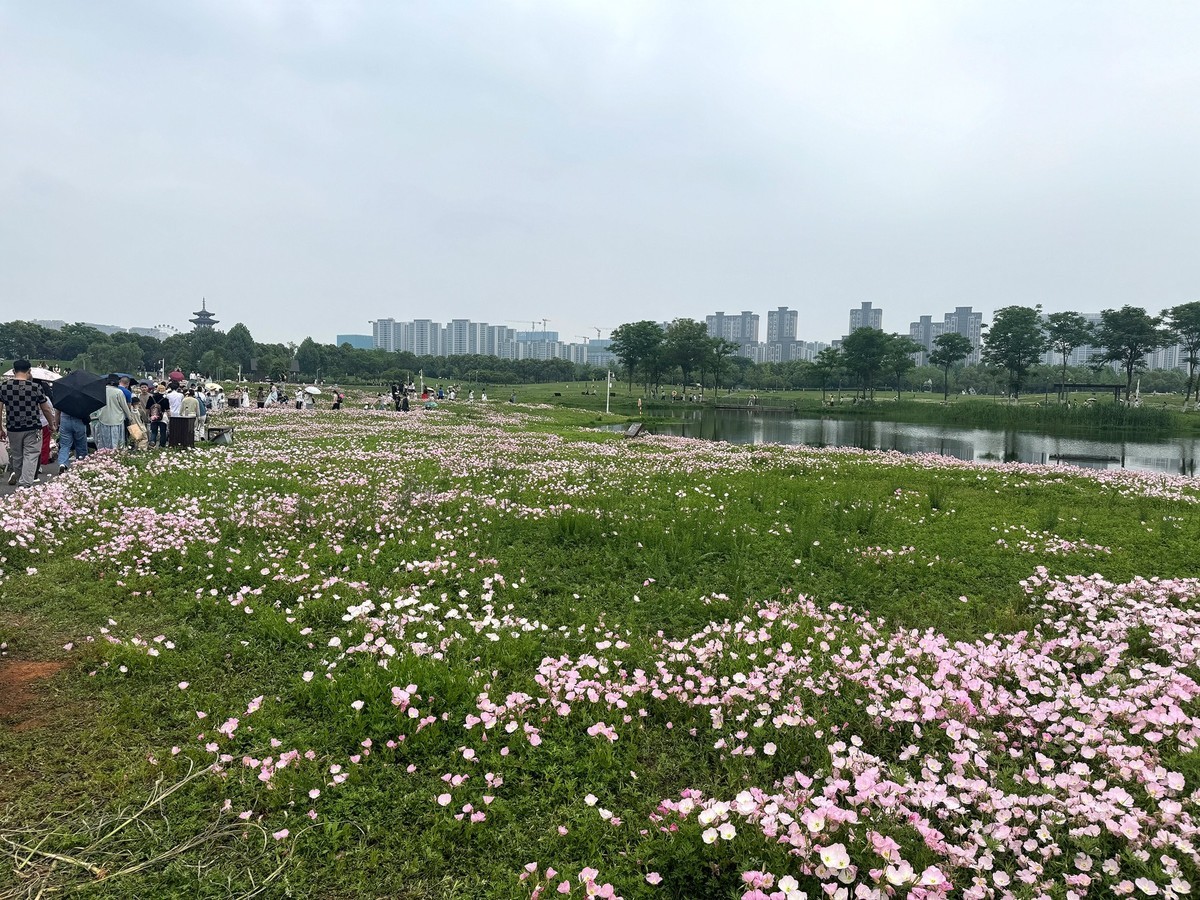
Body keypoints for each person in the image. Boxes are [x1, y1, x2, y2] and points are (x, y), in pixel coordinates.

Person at [1, 360, 57, 487]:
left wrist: (0, 427)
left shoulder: (4, 386)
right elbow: (46, 408)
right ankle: (25, 484)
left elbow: (0, 408)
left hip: (13, 427)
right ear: (29, 371)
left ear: (14, 371)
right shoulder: (35, 387)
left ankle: (22, 479)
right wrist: (51, 424)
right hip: (32, 426)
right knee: (31, 454)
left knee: (17, 456)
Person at [95, 375, 133, 451]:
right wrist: (130, 417)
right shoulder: (118, 392)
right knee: (117, 441)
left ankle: (105, 455)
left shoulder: (101, 390)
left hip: (103, 418)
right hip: (117, 419)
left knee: (105, 440)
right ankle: (116, 455)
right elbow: (124, 406)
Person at [147, 383, 169, 448]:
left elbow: (147, 409)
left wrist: (149, 415)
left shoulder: (151, 398)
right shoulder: (165, 399)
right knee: (163, 432)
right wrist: (169, 417)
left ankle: (152, 443)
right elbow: (167, 409)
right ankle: (162, 445)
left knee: (153, 431)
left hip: (153, 416)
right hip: (162, 417)